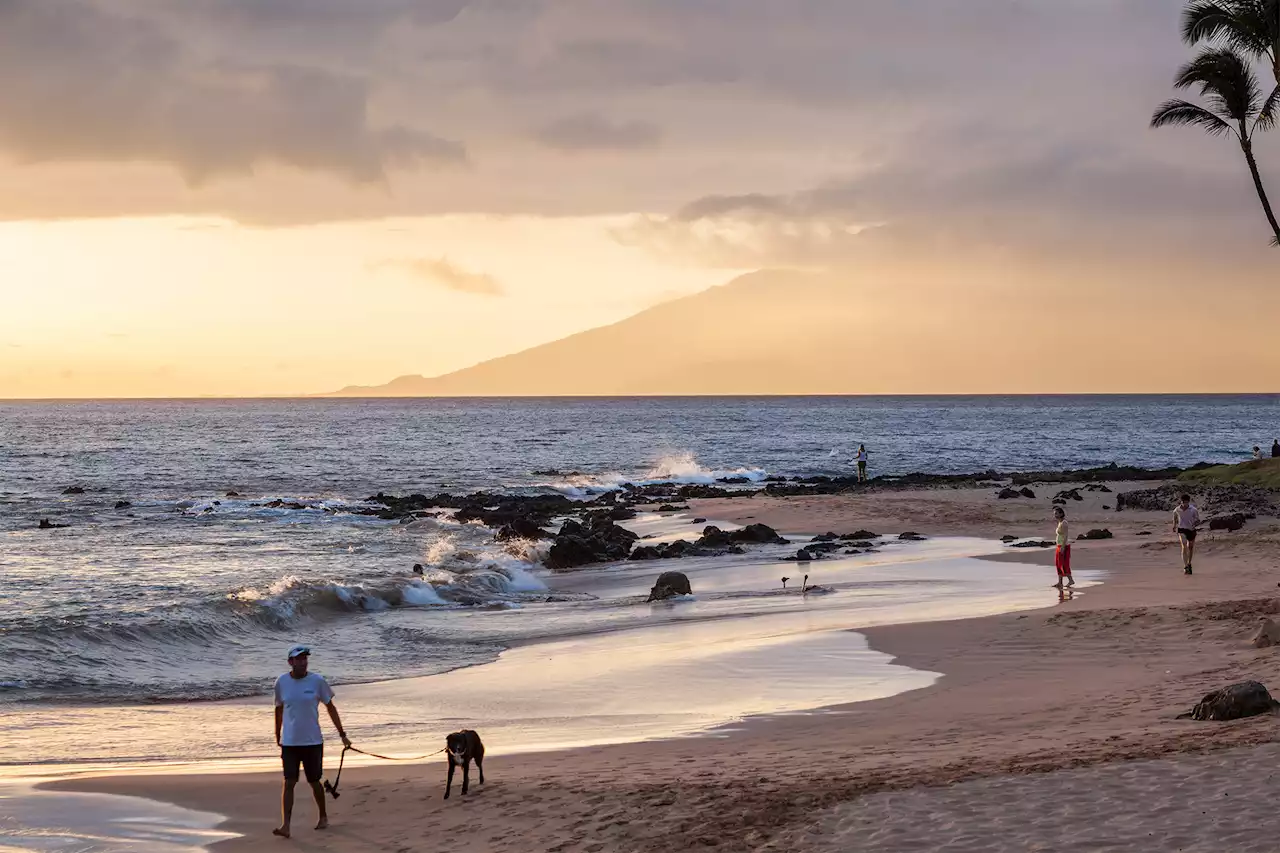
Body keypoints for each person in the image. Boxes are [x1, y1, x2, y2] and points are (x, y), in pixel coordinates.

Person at [273, 645, 350, 839]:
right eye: (298, 659)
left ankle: (323, 816)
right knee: (289, 782)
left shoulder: (317, 681)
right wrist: (277, 734)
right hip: (290, 742)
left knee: (314, 781)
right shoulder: (281, 682)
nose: (303, 662)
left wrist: (342, 734)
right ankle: (286, 826)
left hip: (312, 741)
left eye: (305, 658)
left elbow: (330, 707)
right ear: (290, 662)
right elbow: (279, 709)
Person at [1172, 493, 1201, 576]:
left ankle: (1189, 563)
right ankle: (1185, 566)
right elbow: (1175, 518)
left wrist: (1195, 524)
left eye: (1187, 502)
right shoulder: (1177, 510)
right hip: (1181, 529)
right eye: (1184, 502)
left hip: (1191, 530)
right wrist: (1174, 526)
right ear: (1181, 502)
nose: (1185, 504)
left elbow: (1198, 520)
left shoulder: (1193, 510)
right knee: (1184, 545)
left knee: (1190, 547)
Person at [1052, 506, 1074, 590]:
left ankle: (1071, 580)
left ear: (1061, 513)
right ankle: (1060, 582)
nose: (1055, 515)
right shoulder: (1060, 522)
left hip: (1064, 546)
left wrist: (1063, 547)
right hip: (1059, 545)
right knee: (1058, 564)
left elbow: (1065, 535)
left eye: (1056, 513)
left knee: (1064, 564)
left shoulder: (1064, 523)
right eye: (1054, 514)